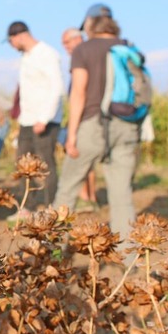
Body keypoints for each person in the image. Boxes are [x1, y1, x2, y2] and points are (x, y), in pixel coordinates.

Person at [54, 4, 140, 249]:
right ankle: (129, 257)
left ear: (90, 24)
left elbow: (78, 93)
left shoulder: (84, 49)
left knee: (67, 190)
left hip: (93, 125)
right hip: (126, 126)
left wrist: (71, 136)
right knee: (122, 195)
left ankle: (52, 251)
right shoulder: (128, 47)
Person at [6, 21, 64, 215]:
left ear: (20, 36)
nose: (11, 46)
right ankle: (27, 207)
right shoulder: (26, 57)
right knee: (23, 163)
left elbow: (56, 88)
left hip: (45, 120)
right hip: (27, 120)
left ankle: (51, 207)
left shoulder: (47, 54)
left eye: (10, 41)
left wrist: (44, 118)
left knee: (46, 164)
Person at [61, 27, 99, 212]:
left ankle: (84, 199)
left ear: (77, 39)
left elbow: (78, 94)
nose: (65, 46)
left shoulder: (81, 55)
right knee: (89, 164)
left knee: (77, 157)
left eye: (66, 42)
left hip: (84, 117)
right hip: (90, 116)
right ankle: (91, 197)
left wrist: (72, 133)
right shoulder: (92, 55)